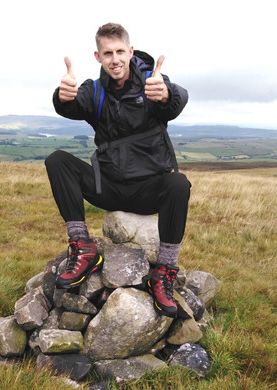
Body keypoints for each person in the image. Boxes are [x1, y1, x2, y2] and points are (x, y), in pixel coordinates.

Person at [45, 23, 191, 318]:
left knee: (179, 184)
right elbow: (70, 106)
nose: (115, 59)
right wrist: (62, 96)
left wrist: (166, 94)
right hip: (108, 187)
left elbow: (175, 102)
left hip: (147, 191)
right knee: (58, 160)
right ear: (98, 57)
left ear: (131, 51)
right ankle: (84, 248)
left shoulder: (153, 84)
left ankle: (163, 272)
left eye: (120, 51)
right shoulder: (95, 91)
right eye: (107, 53)